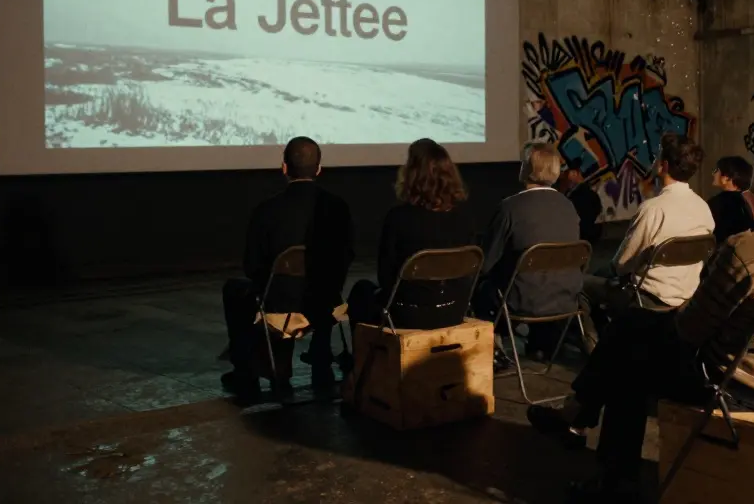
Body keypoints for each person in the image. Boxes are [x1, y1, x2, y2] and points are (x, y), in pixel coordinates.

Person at [526, 119, 754, 502]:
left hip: (736, 384)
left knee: (628, 354)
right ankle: (579, 416)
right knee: (633, 331)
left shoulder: (747, 250)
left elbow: (689, 332)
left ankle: (608, 473)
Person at [222, 137, 354, 398]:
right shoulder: (338, 208)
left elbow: (252, 266)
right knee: (322, 282)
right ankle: (320, 350)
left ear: (284, 168)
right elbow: (346, 257)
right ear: (319, 169)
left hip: (279, 305)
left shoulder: (266, 210)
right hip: (327, 304)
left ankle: (247, 371)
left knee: (234, 289)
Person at [580, 133, 715, 346]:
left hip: (647, 298)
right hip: (687, 297)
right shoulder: (703, 208)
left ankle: (597, 351)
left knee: (581, 285)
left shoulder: (653, 209)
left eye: (657, 156)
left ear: (664, 165)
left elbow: (621, 265)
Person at [346, 138, 476, 331]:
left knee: (360, 291)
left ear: (411, 174)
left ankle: (368, 351)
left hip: (408, 314)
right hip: (454, 311)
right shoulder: (463, 219)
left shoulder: (398, 218)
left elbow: (386, 278)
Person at [474, 142, 583, 360]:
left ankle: (495, 350)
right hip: (566, 298)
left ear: (525, 168)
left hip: (521, 301)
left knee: (481, 287)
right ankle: (540, 345)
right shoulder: (569, 206)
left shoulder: (510, 207)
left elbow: (485, 264)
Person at [707, 155, 754, 244]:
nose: (713, 174)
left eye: (717, 170)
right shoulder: (748, 201)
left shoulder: (717, 203)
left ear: (727, 177)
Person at [561, 163, 603, 244]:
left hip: (578, 236)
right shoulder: (592, 194)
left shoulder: (574, 196)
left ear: (575, 174)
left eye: (567, 173)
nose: (565, 177)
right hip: (591, 236)